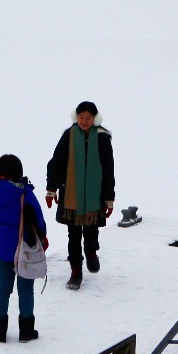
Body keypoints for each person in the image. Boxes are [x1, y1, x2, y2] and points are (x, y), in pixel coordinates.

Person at [44, 101, 115, 291]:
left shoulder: (102, 138)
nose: (84, 121)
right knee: (73, 236)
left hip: (95, 196)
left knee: (91, 232)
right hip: (71, 196)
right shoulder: (68, 135)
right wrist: (51, 189)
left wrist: (109, 198)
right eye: (81, 117)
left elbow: (108, 169)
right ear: (76, 117)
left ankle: (91, 252)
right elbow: (56, 163)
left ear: (95, 119)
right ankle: (76, 273)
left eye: (88, 118)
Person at [0, 152, 45, 343]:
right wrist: (42, 236)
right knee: (25, 290)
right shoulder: (24, 192)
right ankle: (26, 331)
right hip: (23, 247)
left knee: (2, 288)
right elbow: (38, 218)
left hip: (1, 247)